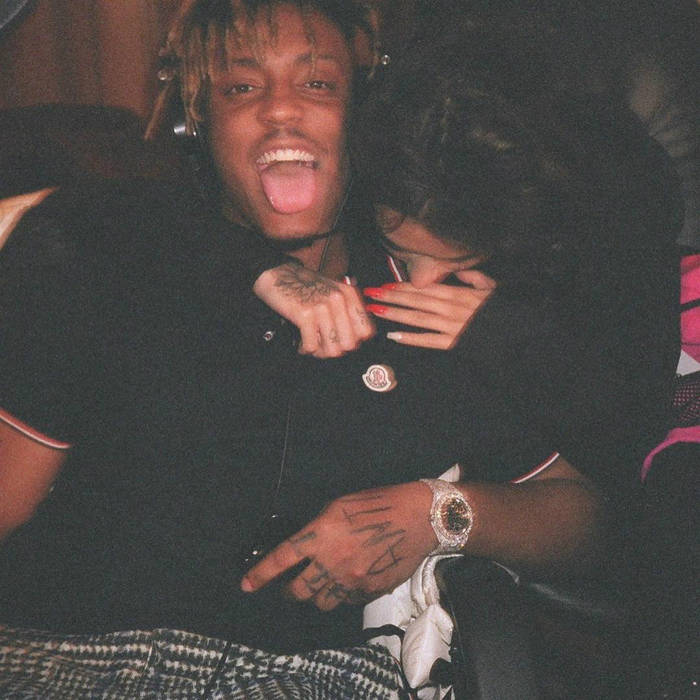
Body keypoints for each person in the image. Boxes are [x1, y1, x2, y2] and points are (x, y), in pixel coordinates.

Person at [0, 1, 680, 697]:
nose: (279, 110)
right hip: (64, 660)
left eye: (318, 83)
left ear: (362, 117)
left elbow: (587, 521)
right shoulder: (108, 256)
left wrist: (438, 514)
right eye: (241, 86)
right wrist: (255, 270)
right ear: (197, 122)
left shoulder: (429, 302)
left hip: (311, 678)